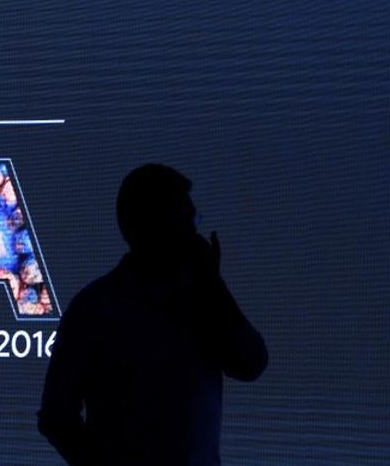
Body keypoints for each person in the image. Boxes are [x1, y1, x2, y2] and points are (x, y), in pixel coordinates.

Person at [38, 164, 268, 465]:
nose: (193, 234)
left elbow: (251, 364)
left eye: (193, 221)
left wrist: (212, 284)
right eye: (183, 221)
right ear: (149, 225)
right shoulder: (94, 309)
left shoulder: (201, 301)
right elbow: (56, 416)